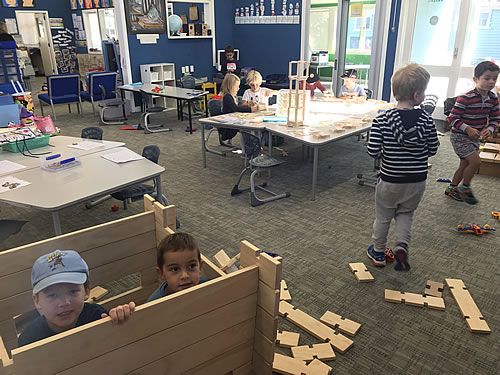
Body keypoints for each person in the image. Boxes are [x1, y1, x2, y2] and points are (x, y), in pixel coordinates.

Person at [366, 63, 439, 271]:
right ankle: (401, 246)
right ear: (417, 95)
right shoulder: (427, 120)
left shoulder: (382, 119)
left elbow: (373, 151)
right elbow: (433, 148)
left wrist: (386, 154)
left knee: (383, 217)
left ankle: (378, 252)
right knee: (405, 214)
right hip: (417, 181)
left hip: (390, 180)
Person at [18, 250, 135, 346]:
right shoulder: (29, 339)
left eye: (73, 291)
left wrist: (120, 319)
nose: (64, 303)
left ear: (87, 291)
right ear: (37, 301)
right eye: (52, 295)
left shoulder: (96, 316)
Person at [445, 61, 500, 204]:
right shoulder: (466, 98)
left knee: (465, 164)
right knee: (476, 161)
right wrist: (467, 129)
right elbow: (452, 118)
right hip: (459, 136)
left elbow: (495, 119)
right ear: (475, 79)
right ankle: (465, 187)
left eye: (494, 78)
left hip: (475, 137)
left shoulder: (494, 99)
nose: (491, 82)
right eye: (487, 78)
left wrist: (489, 129)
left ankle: (451, 188)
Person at [147, 233, 204, 302]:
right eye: (175, 269)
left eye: (191, 266)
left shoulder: (207, 284)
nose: (184, 276)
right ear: (161, 273)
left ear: (200, 267)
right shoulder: (155, 303)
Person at [219, 73, 255, 145]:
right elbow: (236, 108)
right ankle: (247, 147)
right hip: (228, 124)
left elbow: (236, 107)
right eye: (237, 86)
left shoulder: (232, 96)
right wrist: (251, 109)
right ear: (231, 86)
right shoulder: (227, 97)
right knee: (246, 127)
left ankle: (249, 145)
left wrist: (247, 105)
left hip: (232, 120)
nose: (238, 88)